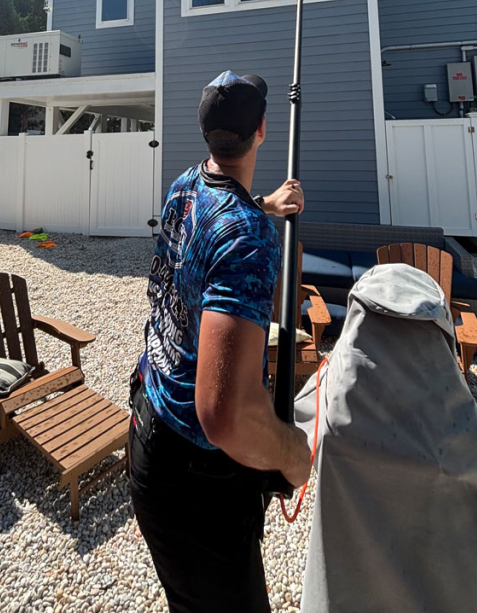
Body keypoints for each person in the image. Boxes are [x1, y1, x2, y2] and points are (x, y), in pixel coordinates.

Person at [128, 70, 311, 613]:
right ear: (261, 132)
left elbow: (219, 219)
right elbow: (224, 416)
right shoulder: (248, 241)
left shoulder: (185, 185)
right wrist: (292, 453)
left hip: (149, 430)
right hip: (196, 482)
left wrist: (264, 206)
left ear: (208, 135)